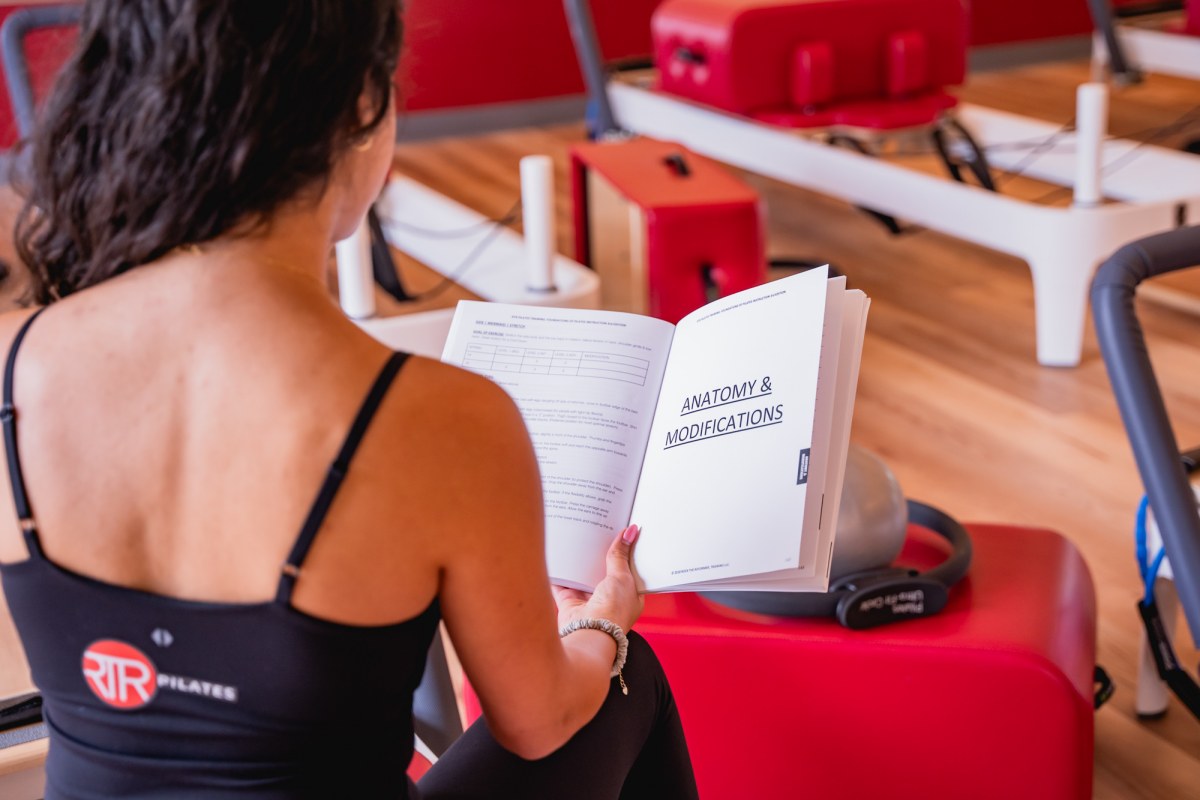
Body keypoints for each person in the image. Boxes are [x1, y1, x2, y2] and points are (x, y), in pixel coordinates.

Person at [0, 2, 698, 798]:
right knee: (622, 672)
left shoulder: (13, 362)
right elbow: (536, 725)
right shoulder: (440, 419)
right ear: (363, 110)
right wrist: (602, 621)